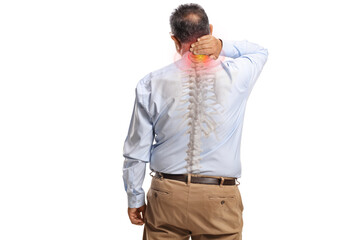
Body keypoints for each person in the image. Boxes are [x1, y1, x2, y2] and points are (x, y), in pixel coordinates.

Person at [122, 3, 269, 240]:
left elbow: (137, 151)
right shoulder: (238, 74)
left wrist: (135, 197)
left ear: (174, 39)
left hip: (167, 197)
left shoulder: (151, 83)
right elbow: (260, 52)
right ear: (209, 30)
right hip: (219, 199)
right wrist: (222, 46)